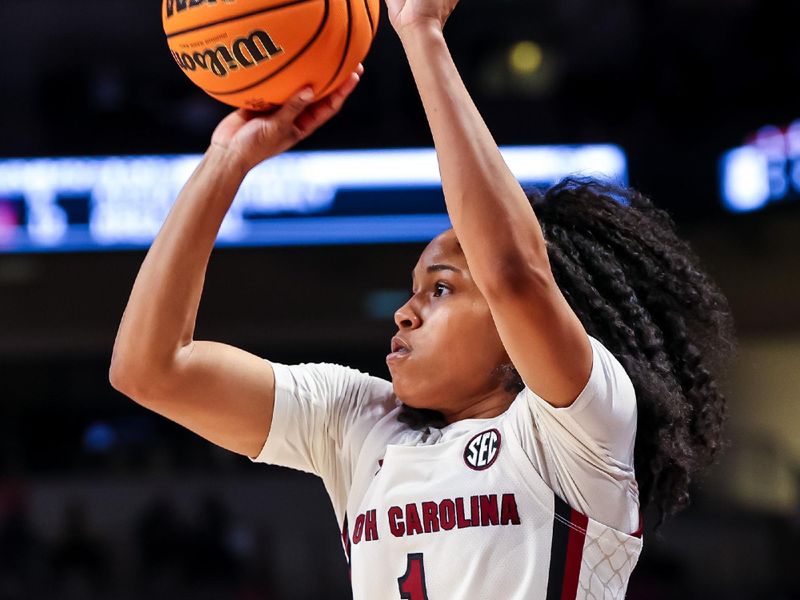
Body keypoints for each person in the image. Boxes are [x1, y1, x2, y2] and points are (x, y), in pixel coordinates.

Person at [110, 0, 733, 597]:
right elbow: (151, 369)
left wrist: (421, 32)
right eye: (415, 292)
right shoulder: (356, 425)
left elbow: (514, 273)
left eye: (440, 289)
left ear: (519, 331)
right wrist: (224, 162)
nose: (405, 312)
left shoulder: (579, 428)